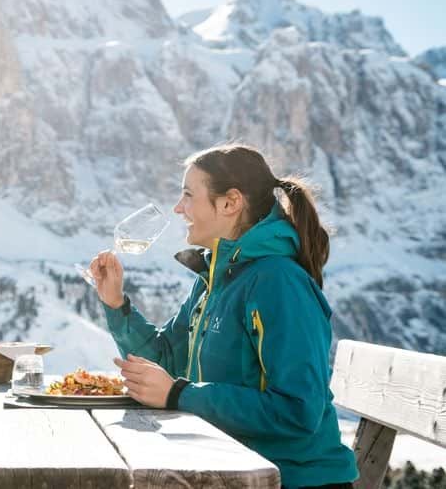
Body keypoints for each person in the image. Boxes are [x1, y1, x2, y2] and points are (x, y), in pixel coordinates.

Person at [89, 144, 358, 489]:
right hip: (233, 469)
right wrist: (116, 304)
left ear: (230, 203)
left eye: (188, 195)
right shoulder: (215, 280)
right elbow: (167, 360)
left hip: (291, 479)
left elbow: (298, 409)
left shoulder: (278, 282)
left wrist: (179, 395)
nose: (178, 207)